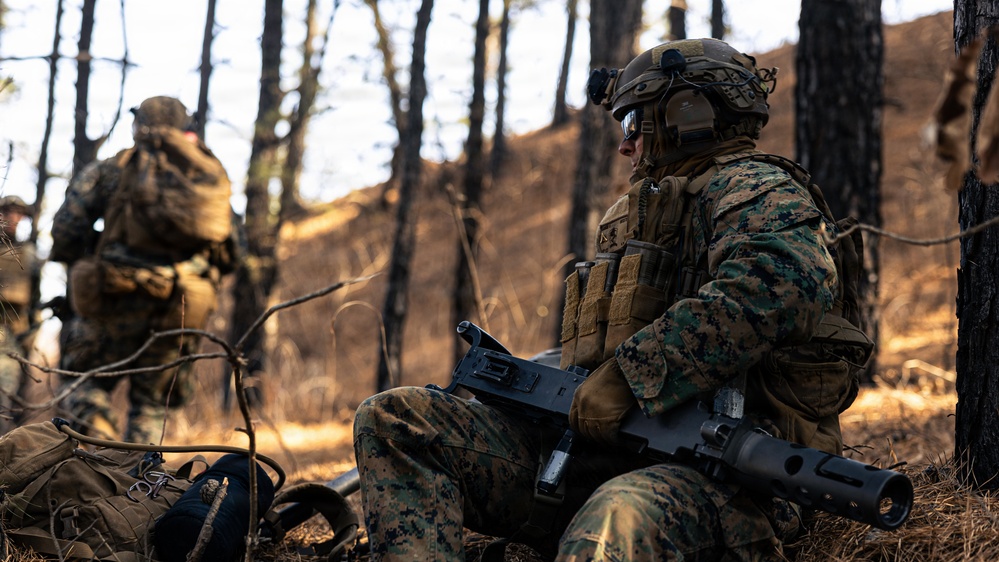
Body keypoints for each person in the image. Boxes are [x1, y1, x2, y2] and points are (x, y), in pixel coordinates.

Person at [353, 38, 872, 561]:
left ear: (686, 115)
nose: (625, 145)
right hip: (599, 454)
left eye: (632, 123)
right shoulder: (640, 213)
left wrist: (631, 376)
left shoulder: (755, 188)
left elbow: (781, 285)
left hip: (731, 477)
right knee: (398, 420)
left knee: (611, 521)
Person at [50, 96, 234, 444]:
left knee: (82, 381)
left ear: (138, 126)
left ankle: (99, 438)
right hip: (180, 305)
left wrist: (89, 253)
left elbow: (66, 229)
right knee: (151, 405)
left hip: (113, 295)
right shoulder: (205, 177)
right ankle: (140, 469)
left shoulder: (111, 170)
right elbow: (231, 252)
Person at [0, 196, 38, 432]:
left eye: (17, 213)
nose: (12, 218)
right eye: (6, 212)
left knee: (4, 404)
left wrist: (30, 335)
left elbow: (34, 299)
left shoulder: (28, 254)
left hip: (12, 338)